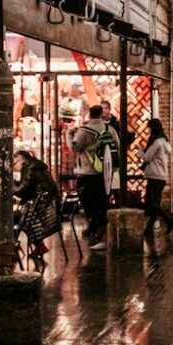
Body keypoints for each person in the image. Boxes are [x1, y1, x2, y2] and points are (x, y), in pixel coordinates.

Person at [67, 105, 121, 250]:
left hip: (88, 172)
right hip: (106, 173)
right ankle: (98, 230)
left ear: (89, 115)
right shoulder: (110, 129)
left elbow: (74, 148)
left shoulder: (84, 131)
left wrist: (69, 134)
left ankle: (102, 232)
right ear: (102, 114)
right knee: (102, 201)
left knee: (89, 203)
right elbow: (117, 145)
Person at [13, 151, 59, 258]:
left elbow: (21, 191)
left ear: (21, 160)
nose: (14, 167)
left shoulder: (30, 170)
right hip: (48, 206)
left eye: (15, 163)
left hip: (42, 208)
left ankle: (12, 246)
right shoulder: (36, 166)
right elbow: (27, 190)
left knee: (12, 217)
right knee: (20, 216)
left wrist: (11, 184)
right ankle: (38, 246)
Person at [141, 118, 173, 235]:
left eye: (149, 128)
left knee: (151, 203)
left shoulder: (157, 142)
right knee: (154, 203)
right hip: (161, 176)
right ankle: (149, 228)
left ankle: (169, 219)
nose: (148, 131)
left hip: (154, 176)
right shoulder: (165, 142)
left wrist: (140, 151)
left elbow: (147, 157)